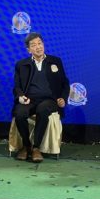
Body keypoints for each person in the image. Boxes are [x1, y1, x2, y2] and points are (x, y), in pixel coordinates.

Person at [12, 32, 70, 163]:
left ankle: (36, 148)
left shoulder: (55, 61)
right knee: (19, 113)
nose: (38, 47)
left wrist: (63, 98)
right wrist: (21, 96)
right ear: (28, 50)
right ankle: (26, 146)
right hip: (29, 100)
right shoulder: (21, 64)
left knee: (43, 109)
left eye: (40, 43)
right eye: (33, 45)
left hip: (49, 100)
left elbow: (65, 83)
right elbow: (17, 87)